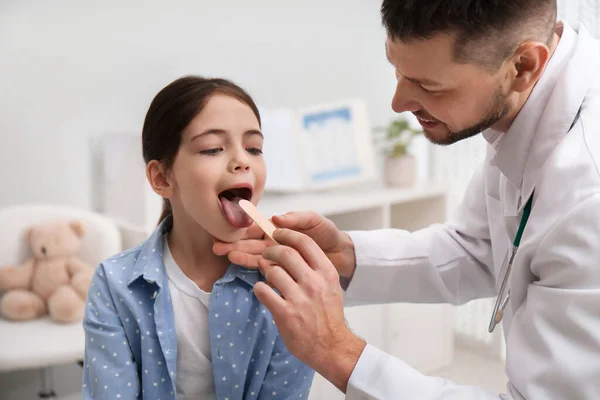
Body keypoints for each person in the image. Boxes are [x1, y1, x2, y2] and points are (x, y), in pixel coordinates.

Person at [213, 0, 600, 398]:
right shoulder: (524, 104)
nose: (398, 103)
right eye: (397, 71)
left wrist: (336, 351)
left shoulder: (587, 193)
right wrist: (343, 254)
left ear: (522, 67)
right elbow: (476, 247)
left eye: (430, 86)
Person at [82, 76, 314, 399]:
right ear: (162, 178)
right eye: (212, 149)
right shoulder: (115, 285)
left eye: (254, 148)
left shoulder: (285, 287)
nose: (242, 161)